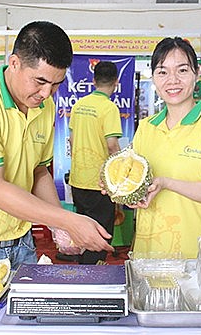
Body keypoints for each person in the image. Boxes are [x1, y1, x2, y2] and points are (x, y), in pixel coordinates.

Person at [0, 21, 113, 270]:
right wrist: (69, 220)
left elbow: (38, 171)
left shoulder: (44, 106)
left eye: (56, 84)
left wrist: (58, 227)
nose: (46, 93)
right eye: (39, 81)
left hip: (20, 243)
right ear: (14, 64)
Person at [128, 37, 201, 258]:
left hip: (191, 261)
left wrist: (167, 183)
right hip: (145, 258)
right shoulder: (146, 127)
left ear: (197, 73)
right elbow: (138, 187)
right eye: (163, 72)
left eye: (182, 70)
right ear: (153, 78)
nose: (173, 80)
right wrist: (122, 189)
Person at [67, 61, 123, 264]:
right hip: (100, 183)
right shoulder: (109, 108)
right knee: (100, 233)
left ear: (93, 81)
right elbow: (112, 146)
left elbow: (72, 141)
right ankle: (93, 275)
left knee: (83, 230)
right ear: (116, 82)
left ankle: (84, 270)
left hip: (78, 179)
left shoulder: (79, 105)